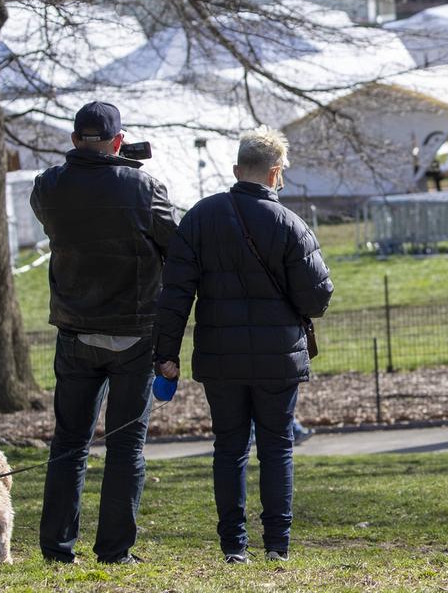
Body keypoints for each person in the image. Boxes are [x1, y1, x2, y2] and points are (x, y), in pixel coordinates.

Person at [153, 125, 333, 564]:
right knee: (276, 448)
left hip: (221, 357)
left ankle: (234, 546)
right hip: (278, 358)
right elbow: (317, 297)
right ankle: (277, 544)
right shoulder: (291, 224)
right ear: (276, 174)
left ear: (237, 169)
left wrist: (166, 354)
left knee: (229, 448)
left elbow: (175, 294)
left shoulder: (199, 218)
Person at [30, 101, 178, 564]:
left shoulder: (48, 186)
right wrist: (124, 169)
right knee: (125, 445)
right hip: (134, 333)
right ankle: (114, 551)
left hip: (75, 329)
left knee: (69, 442)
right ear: (118, 140)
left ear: (75, 139)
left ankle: (57, 548)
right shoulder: (143, 186)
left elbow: (66, 210)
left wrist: (109, 167)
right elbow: (175, 243)